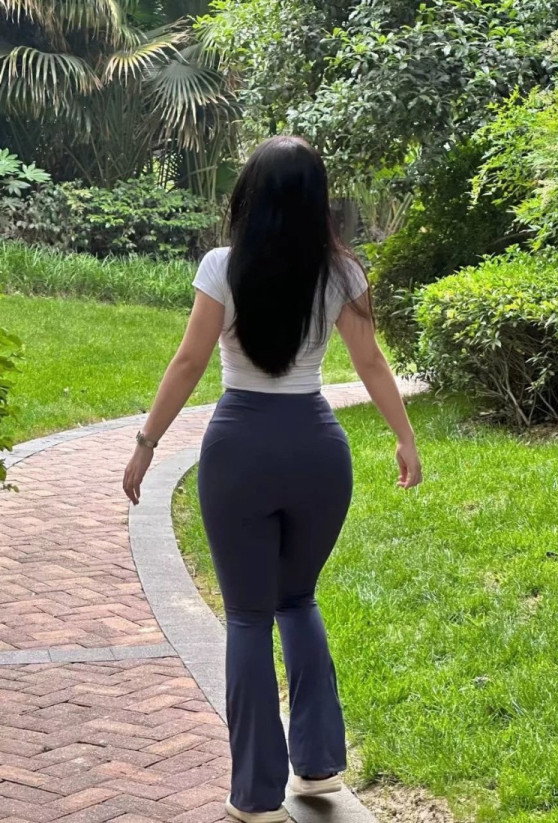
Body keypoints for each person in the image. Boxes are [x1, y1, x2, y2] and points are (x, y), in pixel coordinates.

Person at [123, 135, 423, 823]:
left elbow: (188, 362)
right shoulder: (343, 273)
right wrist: (405, 438)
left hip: (240, 452)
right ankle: (319, 768)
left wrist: (146, 444)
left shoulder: (222, 267)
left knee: (250, 616)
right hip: (319, 452)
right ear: (318, 200)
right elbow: (372, 363)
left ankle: (256, 796)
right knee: (298, 599)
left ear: (248, 197)